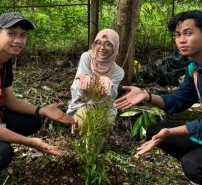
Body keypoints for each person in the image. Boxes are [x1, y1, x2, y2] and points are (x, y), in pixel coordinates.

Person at [0, 12, 75, 185]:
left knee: (33, 120)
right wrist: (30, 142)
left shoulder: (4, 60)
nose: (18, 40)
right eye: (11, 33)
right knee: (1, 154)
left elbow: (9, 100)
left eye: (23, 35)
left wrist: (42, 110)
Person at [113, 10, 202, 184]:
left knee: (192, 164)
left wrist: (171, 131)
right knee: (155, 131)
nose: (181, 40)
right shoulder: (194, 68)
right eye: (177, 35)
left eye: (188, 33)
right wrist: (146, 95)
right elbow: (178, 101)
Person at [67, 28, 124, 131]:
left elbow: (109, 99)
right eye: (98, 43)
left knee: (102, 126)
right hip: (81, 103)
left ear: (115, 47)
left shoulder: (118, 71)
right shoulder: (87, 57)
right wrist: (98, 81)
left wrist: (106, 85)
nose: (102, 47)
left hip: (104, 107)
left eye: (108, 44)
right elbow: (82, 92)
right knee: (83, 123)